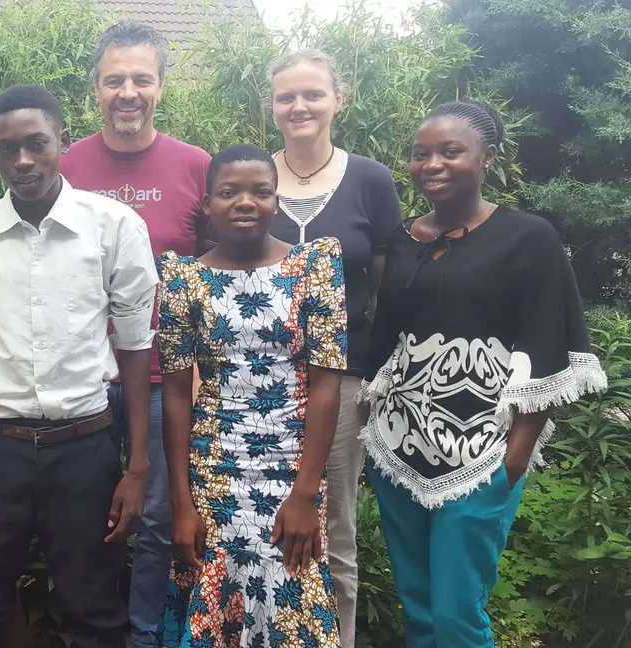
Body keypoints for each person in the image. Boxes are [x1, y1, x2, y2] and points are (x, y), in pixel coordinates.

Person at [361, 101, 606, 648]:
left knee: (457, 613)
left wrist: (515, 457)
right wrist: (369, 431)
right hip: (399, 445)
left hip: (482, 451)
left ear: (487, 157)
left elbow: (547, 343)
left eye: (451, 151)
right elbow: (385, 341)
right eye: (421, 154)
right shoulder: (402, 239)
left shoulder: (529, 236)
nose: (432, 164)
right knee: (418, 607)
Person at [0, 84, 156, 648]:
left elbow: (135, 348)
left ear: (63, 141)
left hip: (84, 447)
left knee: (93, 610)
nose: (23, 161)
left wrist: (136, 466)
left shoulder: (114, 226)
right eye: (7, 149)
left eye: (36, 144)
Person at [59, 22, 213, 646]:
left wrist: (201, 363)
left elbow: (215, 274)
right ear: (96, 88)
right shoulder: (66, 165)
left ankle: (145, 632)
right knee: (85, 512)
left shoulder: (196, 166)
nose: (128, 92)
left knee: (156, 515)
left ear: (161, 87)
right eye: (114, 80)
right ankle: (93, 630)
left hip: (167, 375)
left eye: (141, 79)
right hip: (84, 374)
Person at [158, 144, 346, 648]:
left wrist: (306, 493)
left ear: (276, 200)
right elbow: (174, 393)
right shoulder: (182, 279)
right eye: (228, 192)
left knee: (293, 585)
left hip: (292, 467)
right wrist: (181, 501)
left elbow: (327, 383)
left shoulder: (315, 265)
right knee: (215, 591)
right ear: (207, 204)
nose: (245, 202)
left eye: (260, 191)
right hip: (214, 468)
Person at [266, 49, 404, 647]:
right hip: (258, 381)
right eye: (286, 97)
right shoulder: (252, 176)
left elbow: (387, 285)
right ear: (272, 107)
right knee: (255, 514)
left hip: (344, 379)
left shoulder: (370, 179)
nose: (299, 106)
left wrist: (375, 373)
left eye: (313, 94)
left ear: (338, 101)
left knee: (336, 526)